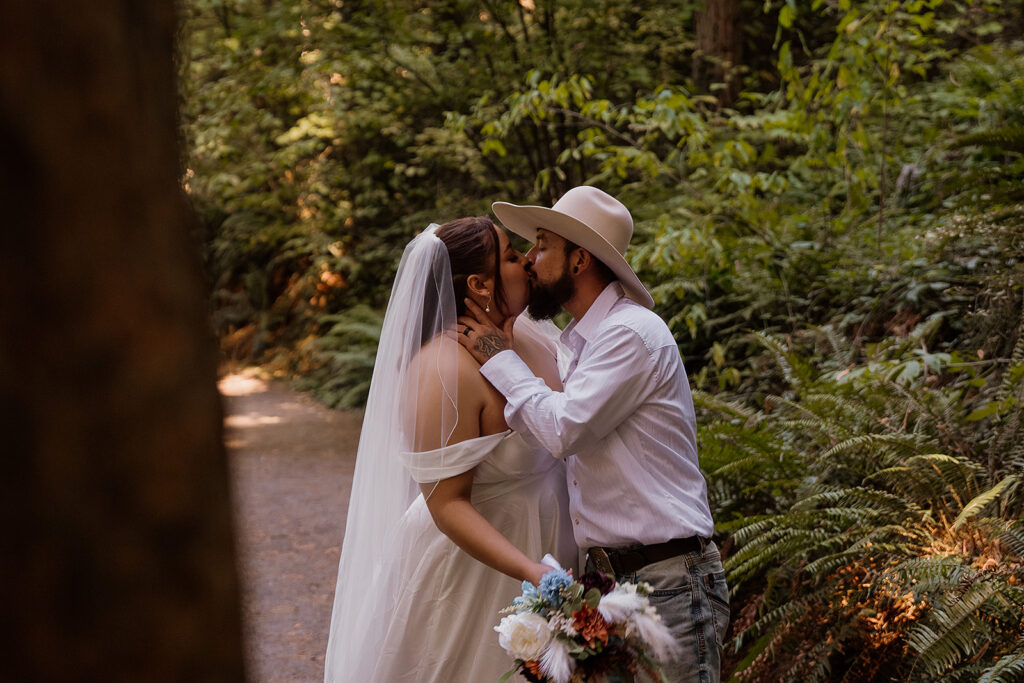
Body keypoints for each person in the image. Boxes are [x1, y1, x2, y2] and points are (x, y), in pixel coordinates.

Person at [457, 186, 730, 682]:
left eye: (542, 245)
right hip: (608, 582)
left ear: (579, 260)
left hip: (666, 580)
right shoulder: (577, 344)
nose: (532, 260)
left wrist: (499, 356)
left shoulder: (630, 334)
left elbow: (562, 430)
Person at [324, 217, 577, 683]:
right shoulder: (442, 368)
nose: (526, 261)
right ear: (480, 284)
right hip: (479, 569)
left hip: (554, 539)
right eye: (510, 256)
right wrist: (530, 571)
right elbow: (446, 503)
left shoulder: (531, 337)